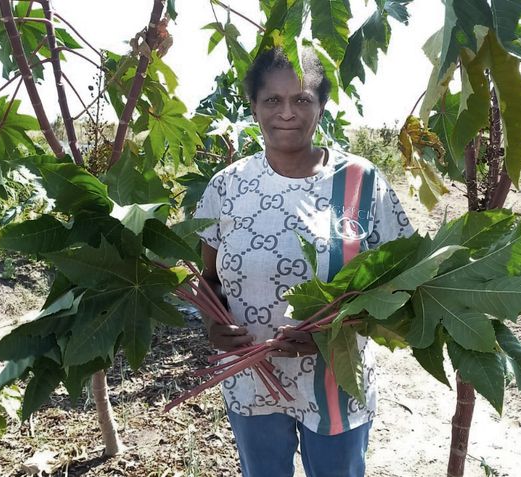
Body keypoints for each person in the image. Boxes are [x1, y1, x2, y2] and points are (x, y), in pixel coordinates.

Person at [194, 47, 413, 477]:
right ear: (254, 107)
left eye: (302, 99)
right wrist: (213, 325)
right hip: (249, 377)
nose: (287, 113)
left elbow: (397, 284)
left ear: (321, 106)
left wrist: (331, 334)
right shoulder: (227, 186)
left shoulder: (362, 181)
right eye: (272, 100)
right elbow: (209, 276)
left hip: (335, 381)